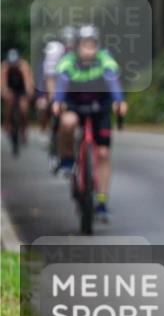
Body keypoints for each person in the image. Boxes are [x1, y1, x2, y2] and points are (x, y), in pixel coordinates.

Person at [51, 25, 127, 222]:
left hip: (99, 107)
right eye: (85, 45)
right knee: (67, 122)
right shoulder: (68, 61)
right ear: (77, 46)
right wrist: (58, 102)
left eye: (92, 45)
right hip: (75, 104)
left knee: (103, 154)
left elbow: (113, 81)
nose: (89, 49)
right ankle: (67, 160)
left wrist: (119, 100)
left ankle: (101, 201)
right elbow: (61, 84)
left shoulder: (105, 59)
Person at [36, 27, 77, 134]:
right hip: (52, 81)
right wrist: (53, 98)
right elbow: (50, 77)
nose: (70, 46)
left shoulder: (82, 51)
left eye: (72, 43)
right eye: (67, 43)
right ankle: (45, 128)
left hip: (72, 83)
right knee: (45, 105)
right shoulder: (55, 50)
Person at [1, 49, 34, 146]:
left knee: (24, 109)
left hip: (22, 90)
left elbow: (28, 82)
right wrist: (4, 91)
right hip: (10, 89)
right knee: (8, 102)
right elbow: (2, 83)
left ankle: (24, 129)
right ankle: (7, 123)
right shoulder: (4, 66)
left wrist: (29, 92)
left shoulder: (24, 66)